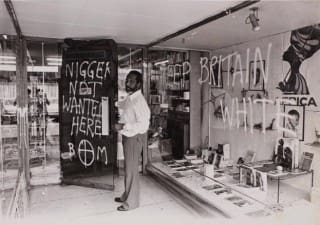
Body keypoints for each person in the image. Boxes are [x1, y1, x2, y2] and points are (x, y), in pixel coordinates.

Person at [114, 70, 150, 211]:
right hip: (128, 136)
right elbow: (123, 104)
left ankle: (131, 202)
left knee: (131, 171)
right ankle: (126, 195)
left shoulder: (139, 101)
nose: (128, 83)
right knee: (128, 169)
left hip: (134, 138)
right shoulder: (131, 98)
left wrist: (123, 125)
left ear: (139, 84)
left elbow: (144, 125)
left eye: (131, 81)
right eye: (127, 80)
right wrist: (114, 102)